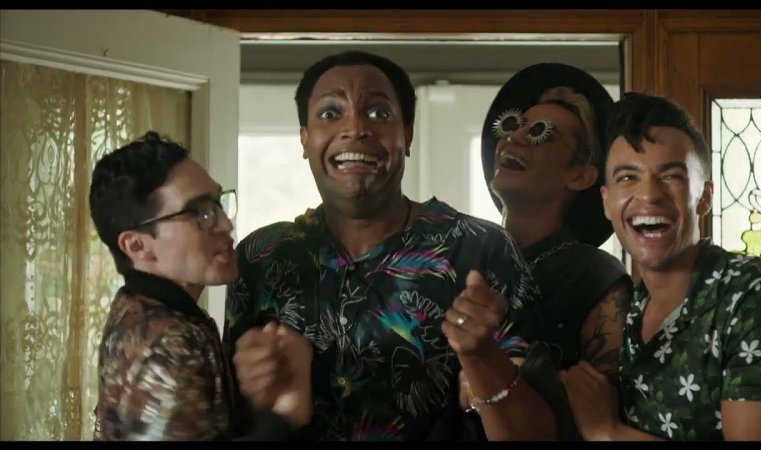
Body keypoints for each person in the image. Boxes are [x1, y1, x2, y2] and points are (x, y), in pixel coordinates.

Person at [224, 51, 562, 441]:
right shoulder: (261, 257)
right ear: (304, 138)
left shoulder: (481, 250)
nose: (355, 128)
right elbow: (228, 420)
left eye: (378, 113)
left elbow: (540, 434)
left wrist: (483, 358)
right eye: (330, 113)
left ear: (408, 134)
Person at [561, 92, 761, 440]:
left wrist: (607, 432)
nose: (649, 195)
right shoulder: (629, 309)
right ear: (606, 201)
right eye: (627, 177)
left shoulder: (757, 294)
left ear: (705, 196)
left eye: (672, 176)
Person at [90, 131, 312, 440]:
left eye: (218, 204)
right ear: (138, 246)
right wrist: (285, 415)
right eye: (200, 213)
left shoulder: (146, 312)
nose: (226, 224)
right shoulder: (165, 342)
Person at [480, 63, 631, 377]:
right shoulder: (468, 257)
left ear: (579, 176)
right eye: (513, 125)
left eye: (540, 133)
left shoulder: (594, 276)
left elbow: (604, 396)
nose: (514, 138)